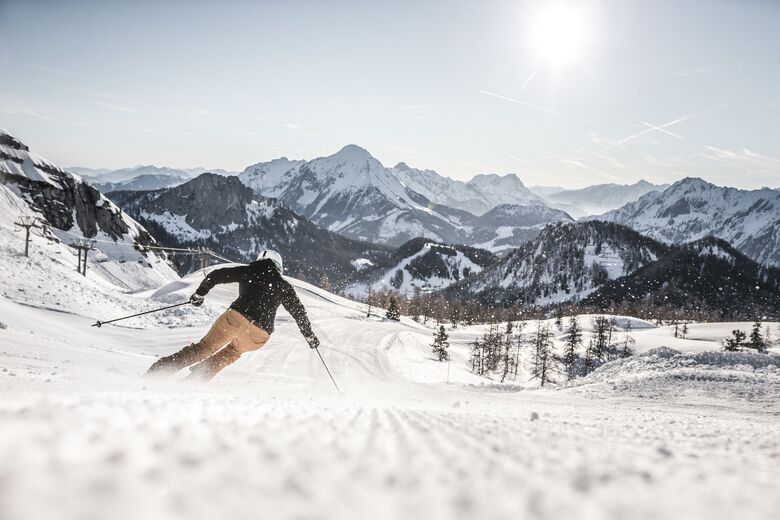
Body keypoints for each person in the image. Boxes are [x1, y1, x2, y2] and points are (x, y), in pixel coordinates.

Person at [146, 250, 319, 380]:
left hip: (236, 319)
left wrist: (199, 295)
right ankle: (196, 379)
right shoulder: (284, 286)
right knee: (230, 353)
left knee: (203, 349)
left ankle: (157, 372)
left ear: (260, 260)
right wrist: (309, 336)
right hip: (260, 334)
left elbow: (215, 276)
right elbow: (299, 312)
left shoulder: (249, 271)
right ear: (278, 267)